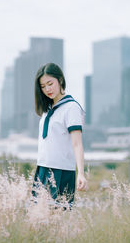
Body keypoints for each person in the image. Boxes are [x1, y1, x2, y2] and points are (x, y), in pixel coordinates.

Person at [32, 62, 88, 208]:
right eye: (43, 86)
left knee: (59, 219)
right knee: (39, 218)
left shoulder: (71, 108)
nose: (47, 89)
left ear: (60, 80)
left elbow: (77, 144)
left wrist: (81, 173)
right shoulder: (47, 109)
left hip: (61, 171)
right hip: (42, 168)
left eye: (50, 84)